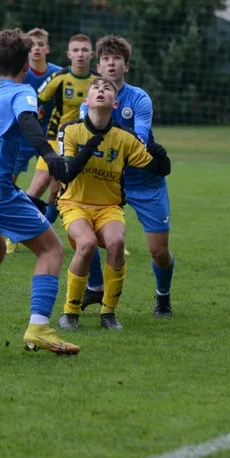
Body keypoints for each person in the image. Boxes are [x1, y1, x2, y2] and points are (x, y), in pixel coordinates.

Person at [0, 28, 103, 355]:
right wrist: (50, 156)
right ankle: (39, 328)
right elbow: (29, 122)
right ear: (25, 67)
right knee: (52, 250)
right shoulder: (22, 92)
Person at [56, 77, 171, 331]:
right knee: (85, 244)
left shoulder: (124, 138)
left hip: (109, 207)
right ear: (86, 101)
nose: (101, 91)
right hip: (74, 203)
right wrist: (87, 150)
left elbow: (158, 168)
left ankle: (109, 313)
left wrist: (162, 159)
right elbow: (65, 173)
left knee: (117, 243)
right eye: (95, 88)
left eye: (107, 89)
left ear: (115, 103)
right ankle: (70, 313)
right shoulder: (70, 130)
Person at [80, 36, 176, 318]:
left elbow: (141, 139)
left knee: (159, 251)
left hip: (145, 181)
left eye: (117, 59)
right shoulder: (89, 101)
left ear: (126, 66)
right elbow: (86, 135)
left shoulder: (140, 99)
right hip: (107, 181)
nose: (111, 63)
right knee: (89, 238)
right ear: (98, 66)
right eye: (106, 59)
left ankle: (163, 296)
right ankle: (96, 287)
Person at [4, 28, 62, 255]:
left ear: (47, 48)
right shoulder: (19, 73)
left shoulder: (59, 74)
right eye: (33, 45)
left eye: (41, 44)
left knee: (55, 186)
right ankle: (10, 232)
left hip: (50, 136)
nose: (36, 48)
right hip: (22, 134)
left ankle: (42, 226)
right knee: (7, 182)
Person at [30, 34, 96, 222]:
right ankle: (14, 236)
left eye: (84, 50)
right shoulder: (59, 77)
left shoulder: (97, 81)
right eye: (76, 50)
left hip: (82, 141)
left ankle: (45, 227)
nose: (80, 54)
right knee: (40, 183)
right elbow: (36, 101)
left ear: (91, 54)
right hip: (54, 137)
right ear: (69, 54)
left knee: (58, 189)